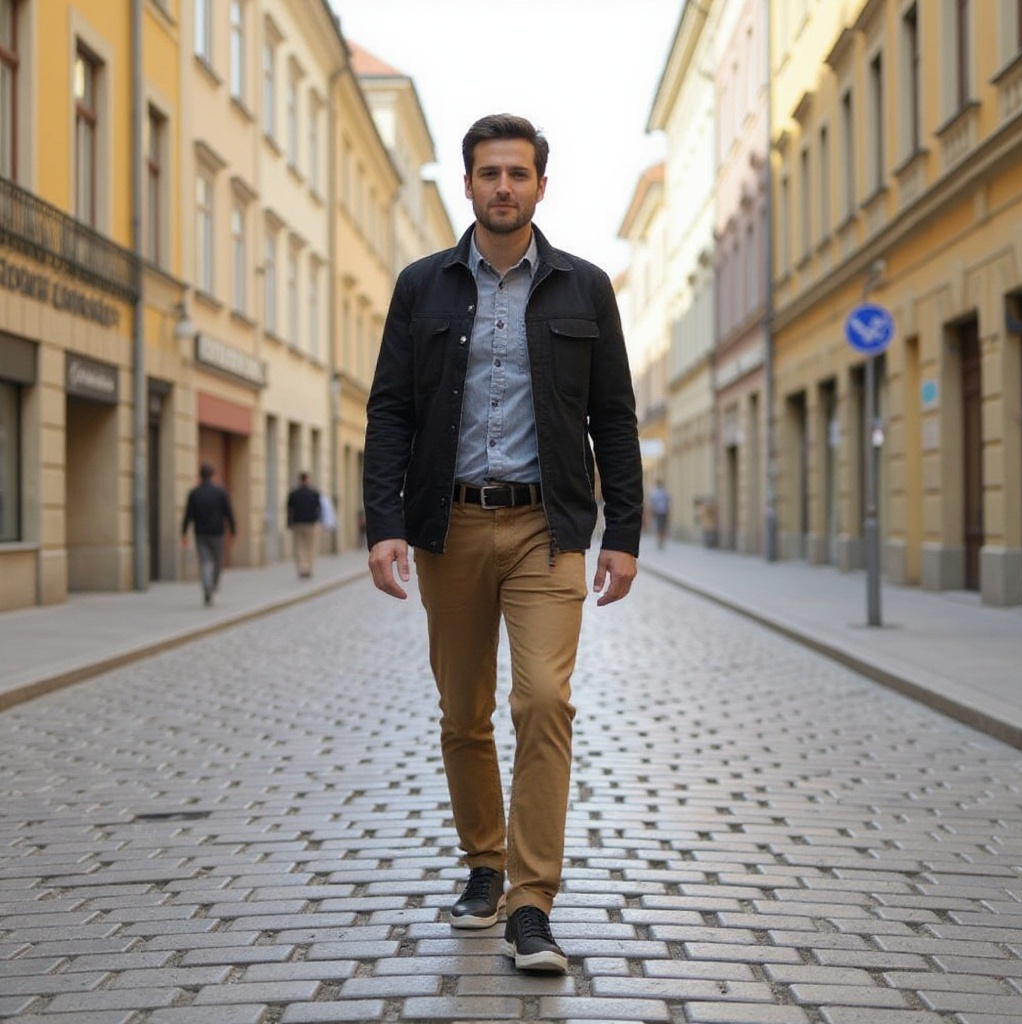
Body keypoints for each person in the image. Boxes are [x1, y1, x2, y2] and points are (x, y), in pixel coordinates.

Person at [363, 114, 643, 974]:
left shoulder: (585, 287)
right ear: (469, 183)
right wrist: (385, 525)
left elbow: (614, 416)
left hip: (546, 527)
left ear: (541, 186)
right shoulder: (423, 287)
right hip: (448, 524)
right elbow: (391, 411)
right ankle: (484, 862)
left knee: (544, 703)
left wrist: (622, 532)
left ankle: (531, 902)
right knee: (463, 711)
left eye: (518, 173)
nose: (504, 187)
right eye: (489, 173)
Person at [181, 462, 236, 606]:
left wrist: (184, 532)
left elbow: (188, 514)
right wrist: (233, 530)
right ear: (212, 475)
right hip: (217, 532)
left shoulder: (194, 493)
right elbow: (228, 512)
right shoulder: (220, 492)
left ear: (200, 475)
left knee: (205, 561)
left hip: (201, 533)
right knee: (218, 560)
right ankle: (213, 585)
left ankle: (207, 588)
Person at [286, 471, 322, 578]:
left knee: (299, 546)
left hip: (297, 523)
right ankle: (309, 568)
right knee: (310, 547)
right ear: (307, 479)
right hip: (311, 524)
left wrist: (288, 523)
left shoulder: (293, 493)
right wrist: (318, 520)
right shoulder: (314, 493)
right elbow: (318, 509)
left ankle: (302, 568)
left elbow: (289, 509)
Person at [649, 479, 670, 549]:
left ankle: (661, 540)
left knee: (661, 527)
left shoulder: (656, 492)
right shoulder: (663, 492)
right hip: (661, 512)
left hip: (659, 511)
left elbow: (653, 503)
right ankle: (660, 540)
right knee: (661, 527)